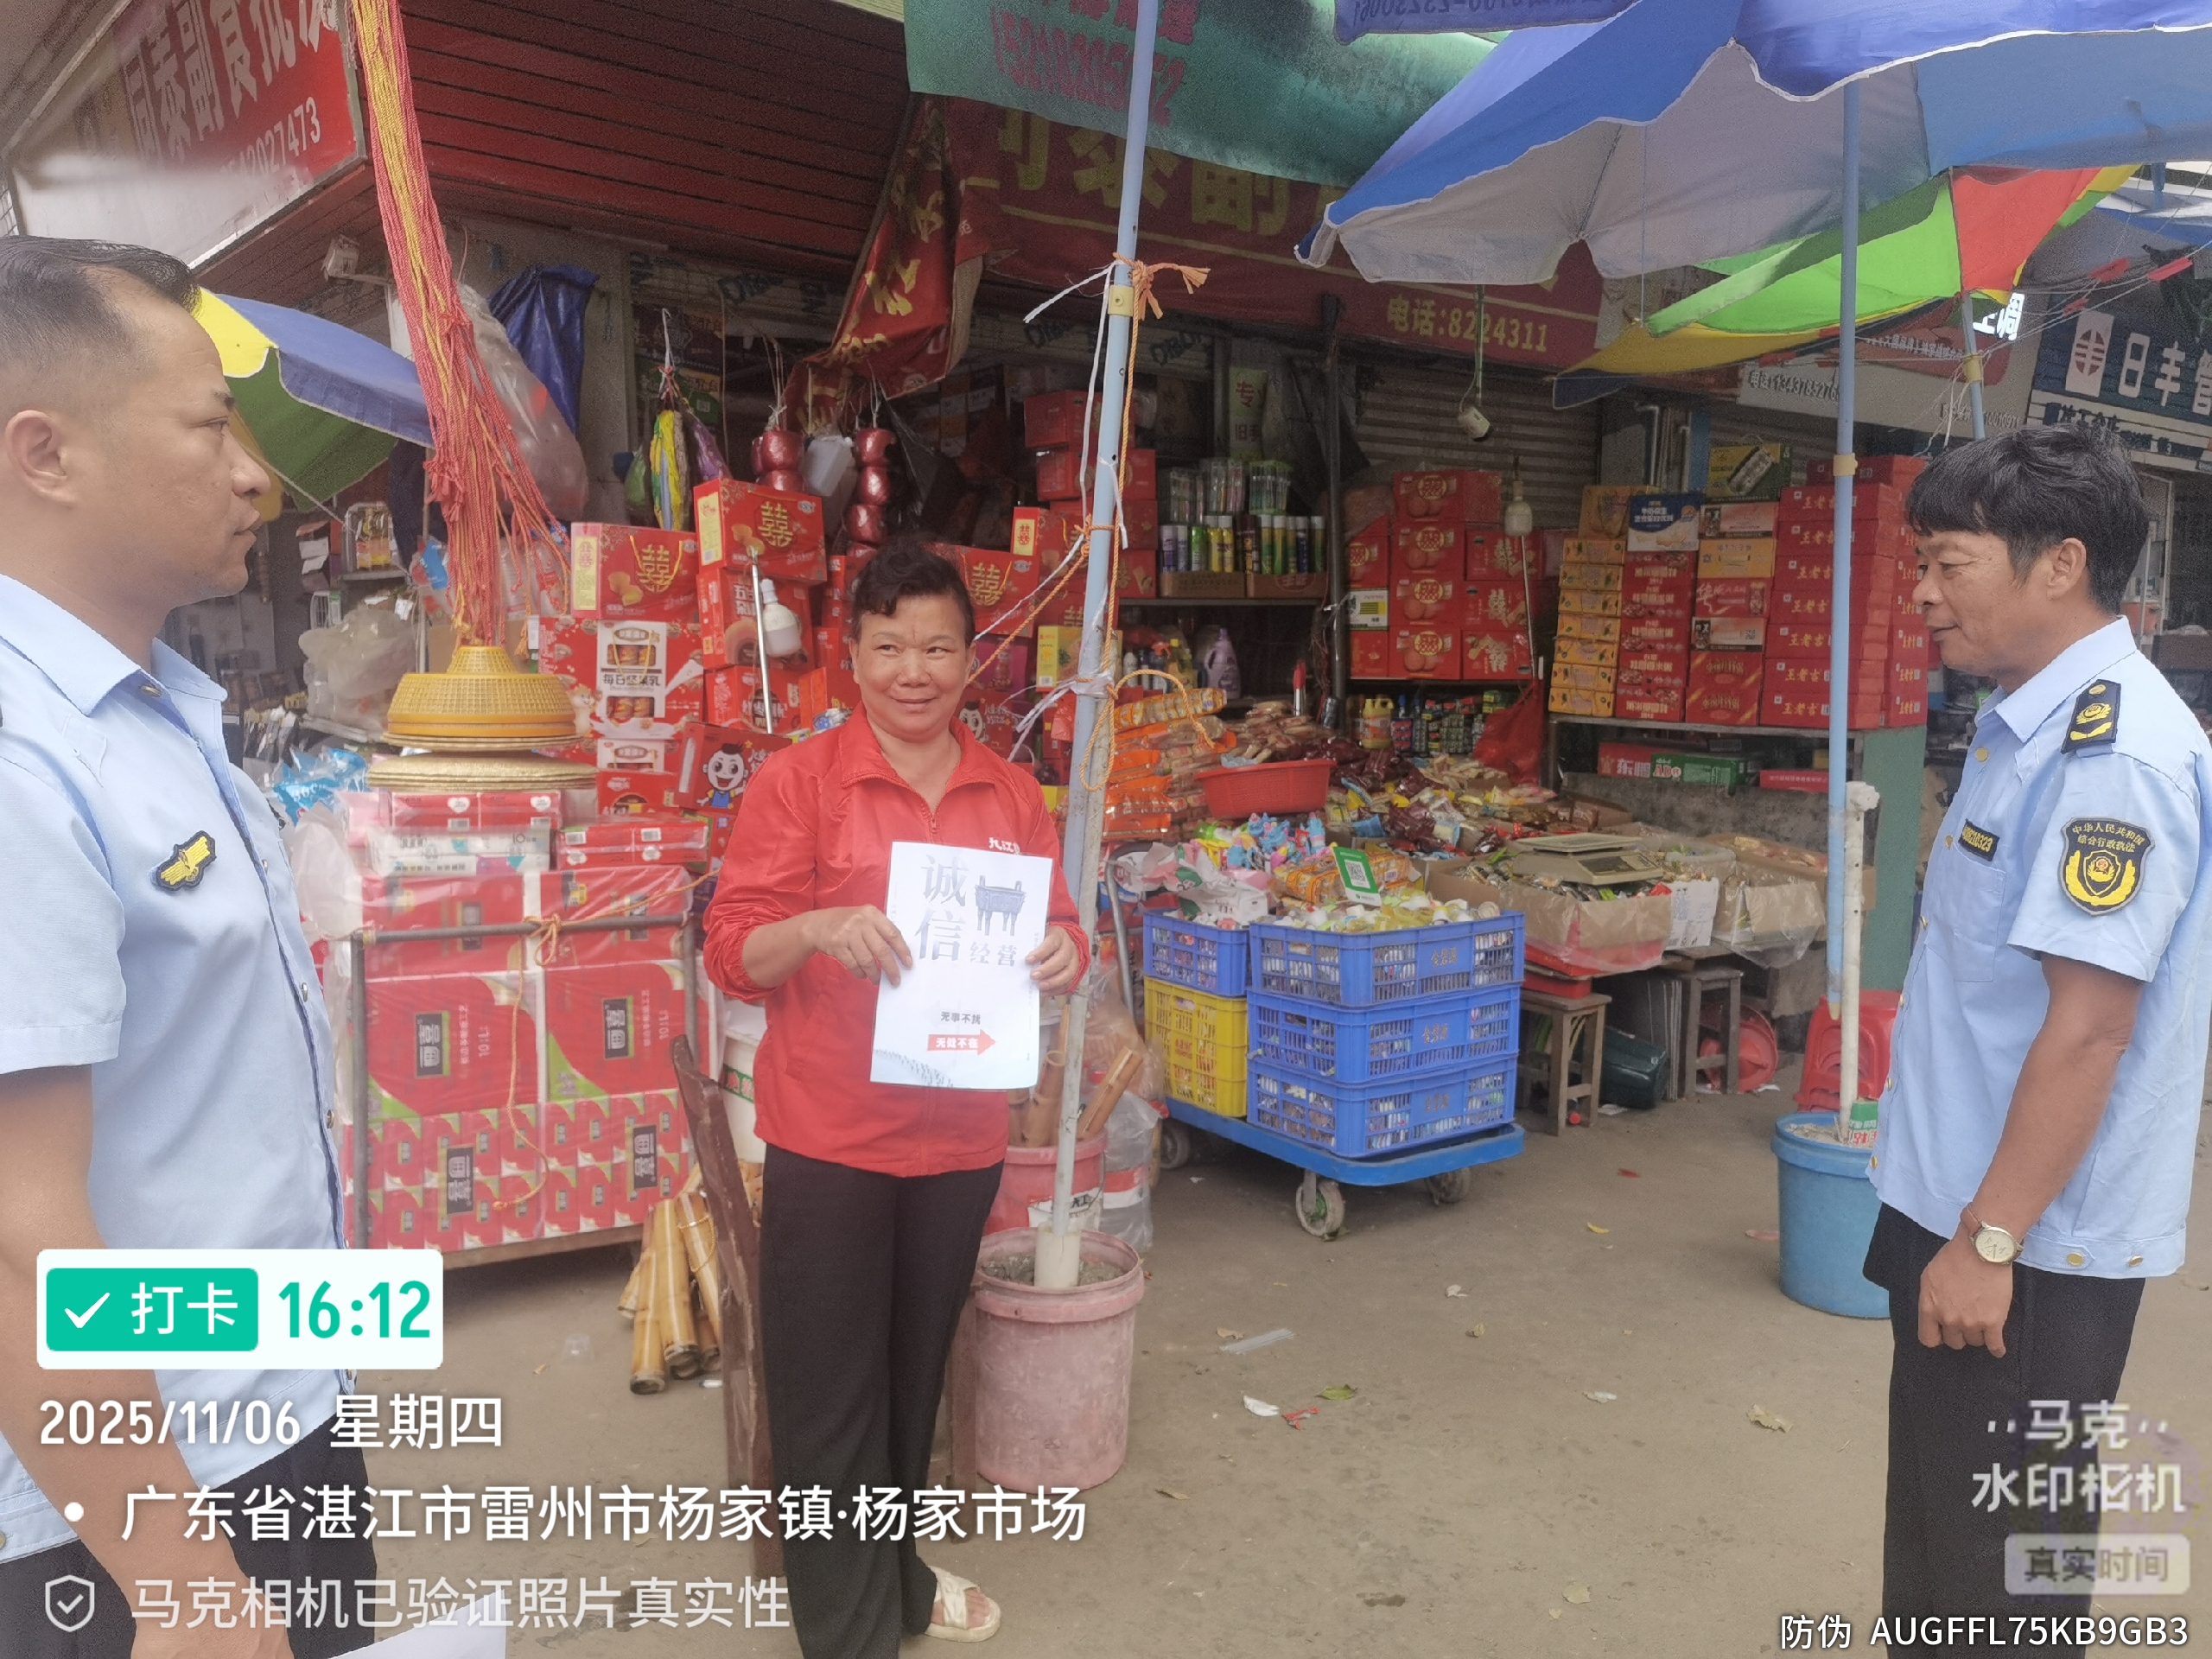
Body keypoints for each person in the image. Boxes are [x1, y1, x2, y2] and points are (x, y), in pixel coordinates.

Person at [0, 239, 373, 1656]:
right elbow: (15, 1232)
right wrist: (181, 1580)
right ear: (46, 453)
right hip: (135, 1502)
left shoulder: (149, 706)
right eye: (212, 426)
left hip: (261, 1418)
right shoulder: (21, 755)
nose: (255, 477)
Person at [703, 538, 1087, 1656]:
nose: (913, 671)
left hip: (959, 1140)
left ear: (972, 659)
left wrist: (1065, 953)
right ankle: (848, 1631)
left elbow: (1062, 928)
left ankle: (899, 1580)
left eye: (937, 648)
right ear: (852, 656)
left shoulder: (1011, 794)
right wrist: (818, 926)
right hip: (832, 1139)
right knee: (829, 1396)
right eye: (889, 647)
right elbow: (732, 952)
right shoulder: (799, 785)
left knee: (914, 1382)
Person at [1870, 424, 2212, 1653]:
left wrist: (1988, 1240)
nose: (1921, 593)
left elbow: (2090, 1029)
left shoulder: (2112, 757)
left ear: (2060, 564)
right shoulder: (2028, 721)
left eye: (1948, 564)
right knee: (1940, 1549)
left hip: (2026, 1246)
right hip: (1962, 1204)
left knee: (1999, 1589)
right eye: (1921, 564)